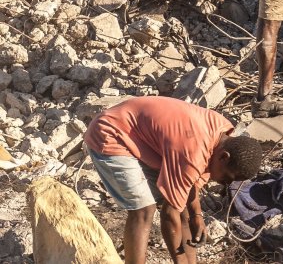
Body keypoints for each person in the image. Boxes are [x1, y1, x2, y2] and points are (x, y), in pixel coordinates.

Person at [84, 96, 263, 264]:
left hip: (142, 139)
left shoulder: (222, 131)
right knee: (144, 210)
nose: (225, 183)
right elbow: (168, 215)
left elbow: (189, 186)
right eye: (226, 178)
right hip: (111, 133)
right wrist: (180, 260)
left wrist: (196, 216)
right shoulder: (193, 152)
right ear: (224, 157)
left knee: (183, 207)